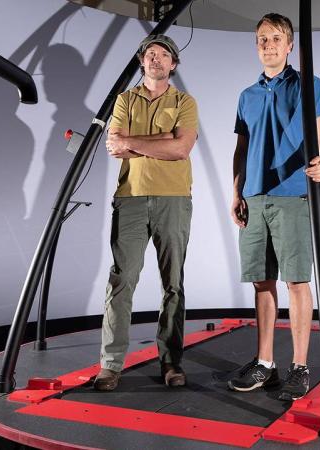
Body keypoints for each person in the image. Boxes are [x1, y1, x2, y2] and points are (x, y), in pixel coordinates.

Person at [228, 13, 320, 401]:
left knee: (296, 281)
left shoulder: (308, 85)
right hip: (254, 197)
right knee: (262, 281)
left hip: (292, 193)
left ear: (289, 45)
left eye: (276, 38)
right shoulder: (247, 96)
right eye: (262, 39)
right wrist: (237, 193)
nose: (268, 44)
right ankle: (265, 364)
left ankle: (300, 367)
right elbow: (241, 149)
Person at [93, 34, 198, 391]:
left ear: (173, 64)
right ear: (142, 61)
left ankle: (171, 362)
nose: (155, 58)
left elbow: (181, 149)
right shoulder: (123, 100)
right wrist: (161, 140)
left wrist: (134, 143)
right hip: (132, 197)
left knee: (173, 283)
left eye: (163, 54)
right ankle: (110, 364)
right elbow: (114, 146)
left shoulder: (185, 101)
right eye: (150, 53)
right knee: (122, 279)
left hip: (173, 198)